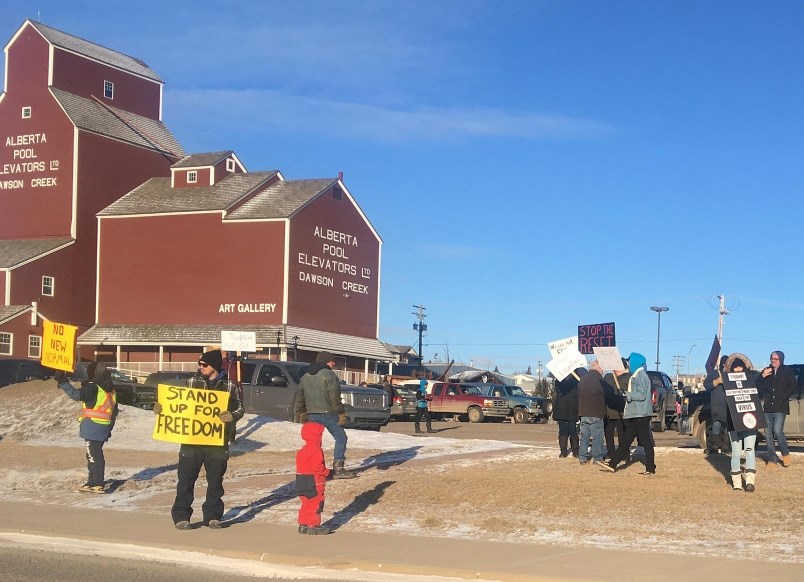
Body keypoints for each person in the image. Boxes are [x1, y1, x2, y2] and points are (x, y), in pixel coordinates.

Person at [154, 349, 244, 530]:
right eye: (199, 364)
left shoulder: (230, 386)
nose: (200, 367)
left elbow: (240, 408)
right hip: (191, 441)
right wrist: (160, 407)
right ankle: (181, 516)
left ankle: (212, 516)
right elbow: (175, 405)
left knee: (215, 482)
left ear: (215, 367)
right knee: (186, 480)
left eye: (204, 364)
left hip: (217, 443)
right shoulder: (191, 382)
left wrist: (232, 416)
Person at [56, 362, 119, 493]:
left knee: (93, 455)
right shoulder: (109, 389)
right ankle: (92, 482)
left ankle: (97, 483)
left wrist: (62, 381)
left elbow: (76, 395)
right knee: (91, 454)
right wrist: (109, 428)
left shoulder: (94, 387)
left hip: (93, 426)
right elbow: (115, 411)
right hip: (102, 427)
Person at [294, 351, 357, 479]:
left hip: (311, 414)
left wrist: (299, 413)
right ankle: (338, 468)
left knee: (315, 443)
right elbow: (335, 398)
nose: (334, 363)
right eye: (332, 360)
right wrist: (341, 413)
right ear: (327, 361)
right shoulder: (329, 375)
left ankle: (317, 469)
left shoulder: (305, 376)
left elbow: (300, 397)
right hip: (328, 414)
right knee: (341, 438)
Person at [603, 353, 656, 475]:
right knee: (626, 441)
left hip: (640, 414)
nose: (628, 364)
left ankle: (650, 467)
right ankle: (613, 464)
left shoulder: (641, 376)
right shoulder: (636, 375)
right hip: (636, 413)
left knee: (645, 441)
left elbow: (642, 395)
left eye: (629, 361)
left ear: (636, 362)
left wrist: (627, 394)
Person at [715, 353, 758, 491]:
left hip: (750, 420)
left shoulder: (751, 379)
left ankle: (750, 481)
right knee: (736, 452)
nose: (738, 369)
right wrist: (719, 380)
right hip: (733, 421)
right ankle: (737, 483)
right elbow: (712, 387)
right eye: (736, 367)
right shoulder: (726, 382)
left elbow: (760, 385)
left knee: (750, 450)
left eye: (741, 367)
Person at [756, 350, 796, 468]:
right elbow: (757, 385)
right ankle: (772, 458)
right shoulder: (766, 371)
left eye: (775, 359)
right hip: (768, 407)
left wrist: (784, 397)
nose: (773, 361)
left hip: (780, 407)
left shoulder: (787, 371)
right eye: (771, 359)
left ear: (781, 359)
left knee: (778, 431)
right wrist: (762, 376)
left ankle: (785, 454)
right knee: (768, 433)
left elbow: (792, 386)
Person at [296, 422, 332, 535]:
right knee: (316, 502)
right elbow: (318, 467)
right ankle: (313, 525)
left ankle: (303, 524)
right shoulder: (315, 449)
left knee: (306, 501)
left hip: (301, 479)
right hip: (314, 480)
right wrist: (327, 473)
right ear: (316, 436)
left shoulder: (302, 450)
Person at [577, 360, 608, 469]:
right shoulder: (600, 379)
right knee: (597, 436)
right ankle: (597, 457)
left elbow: (578, 394)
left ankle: (582, 457)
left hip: (583, 412)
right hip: (596, 412)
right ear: (598, 368)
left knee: (584, 436)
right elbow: (605, 394)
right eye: (602, 368)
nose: (603, 370)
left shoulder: (582, 379)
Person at [552, 369, 583, 458]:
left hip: (572, 407)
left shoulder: (576, 378)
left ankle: (575, 450)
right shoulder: (559, 379)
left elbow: (578, 390)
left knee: (573, 430)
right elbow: (559, 390)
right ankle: (563, 451)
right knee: (563, 430)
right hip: (562, 408)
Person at [602, 359, 628, 461]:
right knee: (608, 434)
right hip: (609, 410)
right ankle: (611, 453)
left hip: (622, 410)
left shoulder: (628, 377)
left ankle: (624, 454)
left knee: (622, 434)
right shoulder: (609, 376)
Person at [703, 355, 729, 455]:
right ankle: (713, 446)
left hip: (729, 406)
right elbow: (707, 385)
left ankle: (726, 446)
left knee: (728, 428)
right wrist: (717, 381)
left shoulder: (731, 374)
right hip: (718, 405)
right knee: (716, 426)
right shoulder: (714, 373)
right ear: (723, 364)